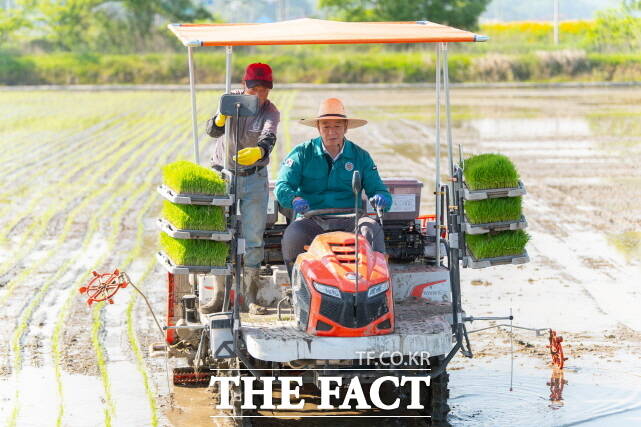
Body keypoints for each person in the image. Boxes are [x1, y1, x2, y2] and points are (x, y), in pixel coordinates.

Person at [275, 98, 392, 276]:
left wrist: (382, 199)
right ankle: (297, 288)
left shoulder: (361, 156)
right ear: (318, 128)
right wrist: (294, 199)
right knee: (294, 235)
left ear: (345, 127)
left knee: (371, 229)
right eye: (326, 126)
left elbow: (378, 189)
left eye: (337, 126)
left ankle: (374, 286)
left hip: (352, 219)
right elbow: (282, 186)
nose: (332, 132)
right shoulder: (302, 153)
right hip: (311, 219)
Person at [201, 63, 280, 315]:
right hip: (224, 175)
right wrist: (220, 118)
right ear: (244, 87)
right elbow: (212, 131)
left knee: (254, 237)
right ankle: (220, 295)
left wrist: (260, 151)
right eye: (253, 89)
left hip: (254, 177)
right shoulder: (230, 101)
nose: (258, 94)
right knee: (220, 233)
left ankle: (249, 296)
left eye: (263, 89)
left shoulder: (270, 111)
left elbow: (269, 135)